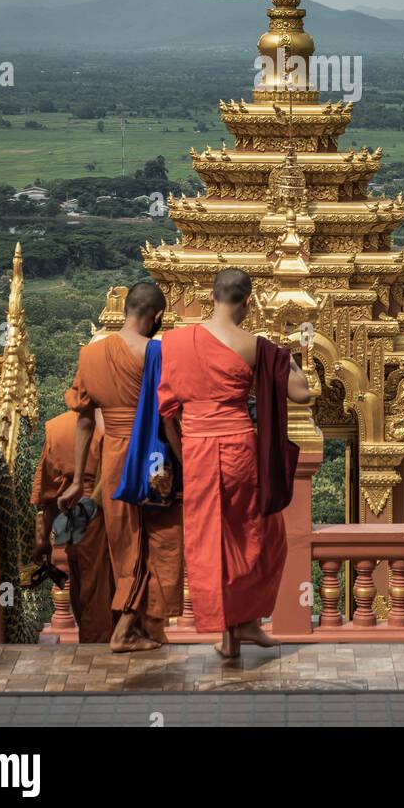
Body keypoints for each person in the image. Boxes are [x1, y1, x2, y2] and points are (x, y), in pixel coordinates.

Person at [158, 266, 311, 659]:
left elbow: (166, 410)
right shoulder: (255, 345)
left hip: (196, 450)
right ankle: (244, 624)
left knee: (212, 540)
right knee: (259, 535)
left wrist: (182, 452)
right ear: (247, 302)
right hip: (241, 449)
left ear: (211, 297)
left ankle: (232, 631)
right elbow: (301, 394)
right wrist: (288, 356)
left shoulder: (174, 342)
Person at [58, 281, 184, 653]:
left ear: (127, 309)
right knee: (160, 541)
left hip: (114, 459)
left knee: (126, 543)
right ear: (157, 315)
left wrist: (78, 480)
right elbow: (166, 419)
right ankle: (128, 627)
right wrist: (186, 461)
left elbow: (83, 419)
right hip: (153, 461)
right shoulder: (156, 353)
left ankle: (146, 626)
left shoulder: (90, 356)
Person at [31, 407, 114, 643]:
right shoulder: (112, 424)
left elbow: (49, 494)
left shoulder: (57, 427)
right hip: (105, 512)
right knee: (101, 591)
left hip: (72, 518)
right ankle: (101, 653)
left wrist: (44, 539)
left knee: (83, 589)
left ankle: (92, 650)